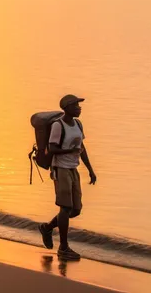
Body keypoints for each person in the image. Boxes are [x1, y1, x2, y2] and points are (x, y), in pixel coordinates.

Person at [39, 95, 97, 261]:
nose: (79, 108)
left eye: (79, 105)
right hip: (61, 169)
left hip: (73, 168)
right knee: (65, 208)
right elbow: (51, 149)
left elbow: (81, 147)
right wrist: (69, 151)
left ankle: (47, 227)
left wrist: (90, 169)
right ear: (67, 107)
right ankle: (63, 248)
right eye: (76, 105)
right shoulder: (59, 126)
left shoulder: (78, 124)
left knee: (75, 209)